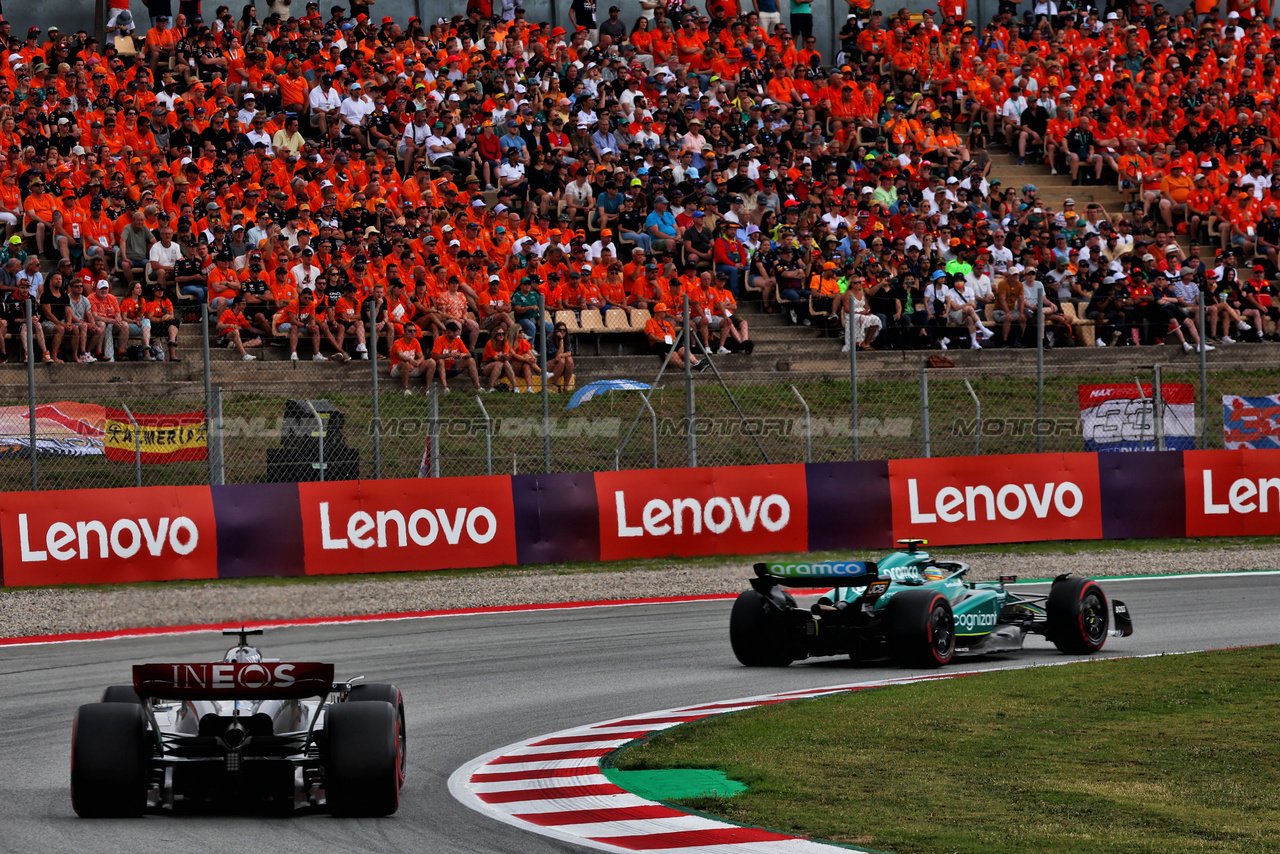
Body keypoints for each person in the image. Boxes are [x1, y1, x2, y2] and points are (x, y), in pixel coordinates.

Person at [431, 319, 481, 392]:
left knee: (471, 360)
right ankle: (445, 388)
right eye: (453, 330)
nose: (455, 333)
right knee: (440, 361)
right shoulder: (439, 340)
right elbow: (435, 356)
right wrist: (449, 354)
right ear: (447, 331)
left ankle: (478, 387)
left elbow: (469, 354)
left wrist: (463, 354)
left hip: (453, 366)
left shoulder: (458, 340)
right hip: (439, 369)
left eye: (456, 331)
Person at [390, 323, 436, 394]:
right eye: (410, 331)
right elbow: (401, 355)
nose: (413, 333)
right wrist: (410, 361)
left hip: (412, 368)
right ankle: (406, 390)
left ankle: (428, 390)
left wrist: (417, 362)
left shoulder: (415, 341)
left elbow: (421, 356)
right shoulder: (397, 342)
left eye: (414, 331)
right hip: (397, 369)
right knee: (404, 363)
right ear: (404, 332)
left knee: (431, 362)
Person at [217, 293, 262, 360]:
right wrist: (230, 325)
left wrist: (264, 332)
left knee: (259, 341)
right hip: (225, 337)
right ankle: (244, 355)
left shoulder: (241, 317)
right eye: (243, 304)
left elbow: (251, 329)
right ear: (237, 304)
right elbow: (218, 326)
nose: (245, 306)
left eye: (245, 304)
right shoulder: (227, 312)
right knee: (235, 331)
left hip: (236, 339)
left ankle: (235, 346)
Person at [481, 325, 516, 391]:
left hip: (502, 365)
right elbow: (496, 358)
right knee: (499, 363)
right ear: (495, 335)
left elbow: (505, 356)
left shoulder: (505, 343)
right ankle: (491, 387)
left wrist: (505, 357)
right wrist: (503, 356)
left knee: (505, 362)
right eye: (499, 334)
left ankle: (515, 387)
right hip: (487, 365)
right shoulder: (490, 343)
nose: (501, 335)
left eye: (503, 334)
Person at [547, 321, 575, 392]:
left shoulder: (567, 339)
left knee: (569, 359)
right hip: (548, 364)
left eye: (564, 330)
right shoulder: (550, 340)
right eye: (560, 330)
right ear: (556, 331)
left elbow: (569, 352)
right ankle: (554, 383)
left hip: (560, 363)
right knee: (562, 360)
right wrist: (561, 340)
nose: (562, 332)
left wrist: (562, 355)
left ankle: (566, 386)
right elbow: (557, 356)